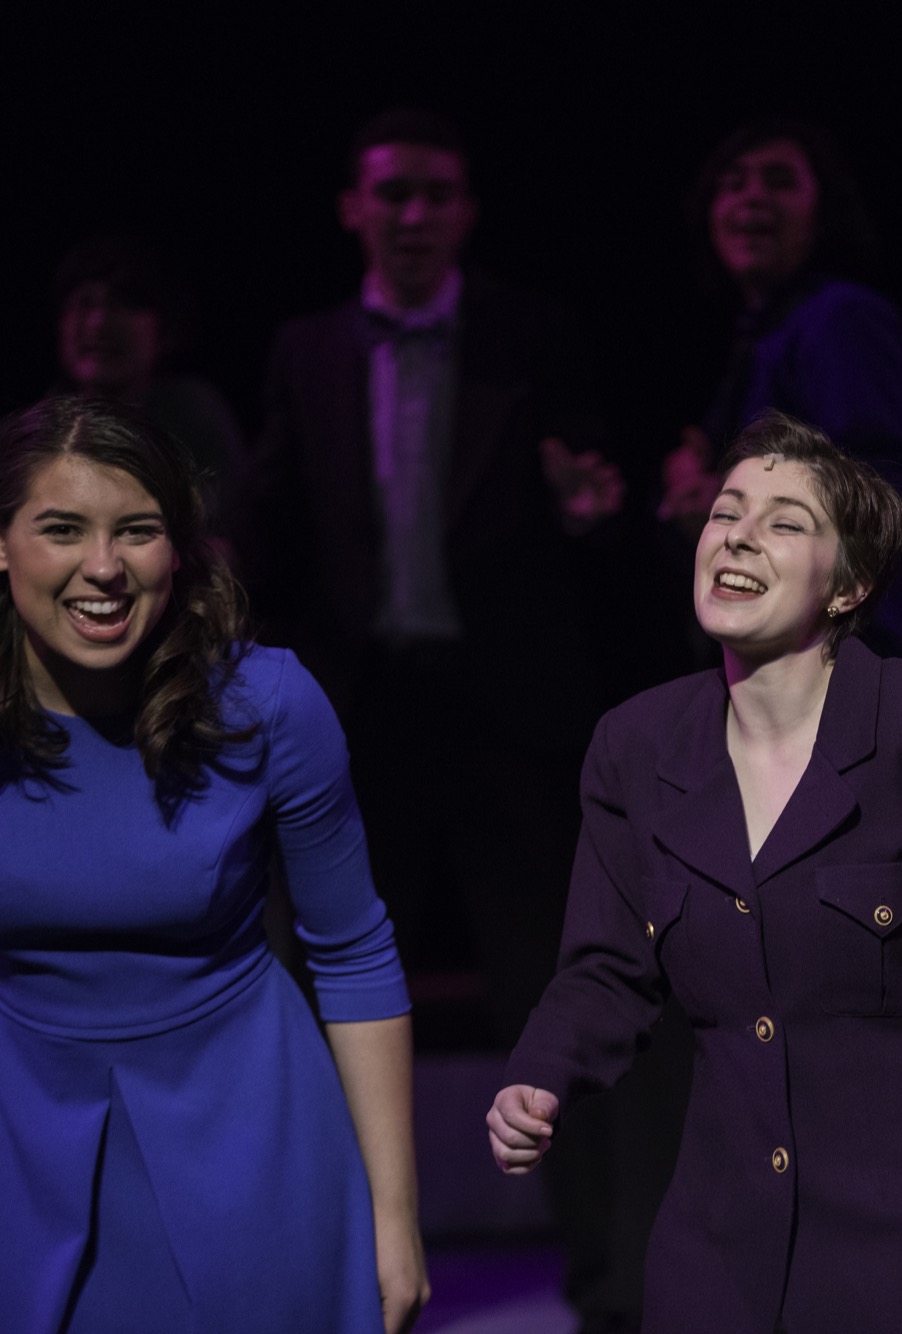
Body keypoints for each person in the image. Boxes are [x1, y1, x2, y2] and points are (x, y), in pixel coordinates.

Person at [489, 412, 902, 1334]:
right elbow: (606, 967)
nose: (737, 535)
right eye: (726, 511)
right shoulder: (637, 748)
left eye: (784, 522)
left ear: (848, 585)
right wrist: (541, 1073)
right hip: (722, 1252)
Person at [0, 395, 426, 1332]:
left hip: (257, 1152)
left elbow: (355, 953)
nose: (104, 567)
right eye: (62, 529)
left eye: (138, 530)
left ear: (179, 547)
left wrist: (394, 1218)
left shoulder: (269, 703)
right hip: (22, 1161)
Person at [239, 107, 627, 1026]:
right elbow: (271, 527)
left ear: (467, 212)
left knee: (540, 963)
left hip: (505, 702)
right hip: (365, 703)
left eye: (437, 196)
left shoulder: (531, 333)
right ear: (352, 208)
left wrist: (591, 514)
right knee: (344, 967)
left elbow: (596, 506)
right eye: (394, 194)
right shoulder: (307, 349)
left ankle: (567, 1130)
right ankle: (335, 1132)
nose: (414, 216)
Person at [658, 119, 902, 659]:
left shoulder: (841, 320)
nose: (752, 197)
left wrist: (727, 505)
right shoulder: (760, 333)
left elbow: (886, 496)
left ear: (824, 210)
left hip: (835, 659)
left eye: (779, 181)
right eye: (733, 183)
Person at [0, 235, 249, 542]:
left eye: (123, 303)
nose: (98, 322)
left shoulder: (193, 414)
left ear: (166, 327)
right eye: (83, 303)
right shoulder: (13, 440)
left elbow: (233, 537)